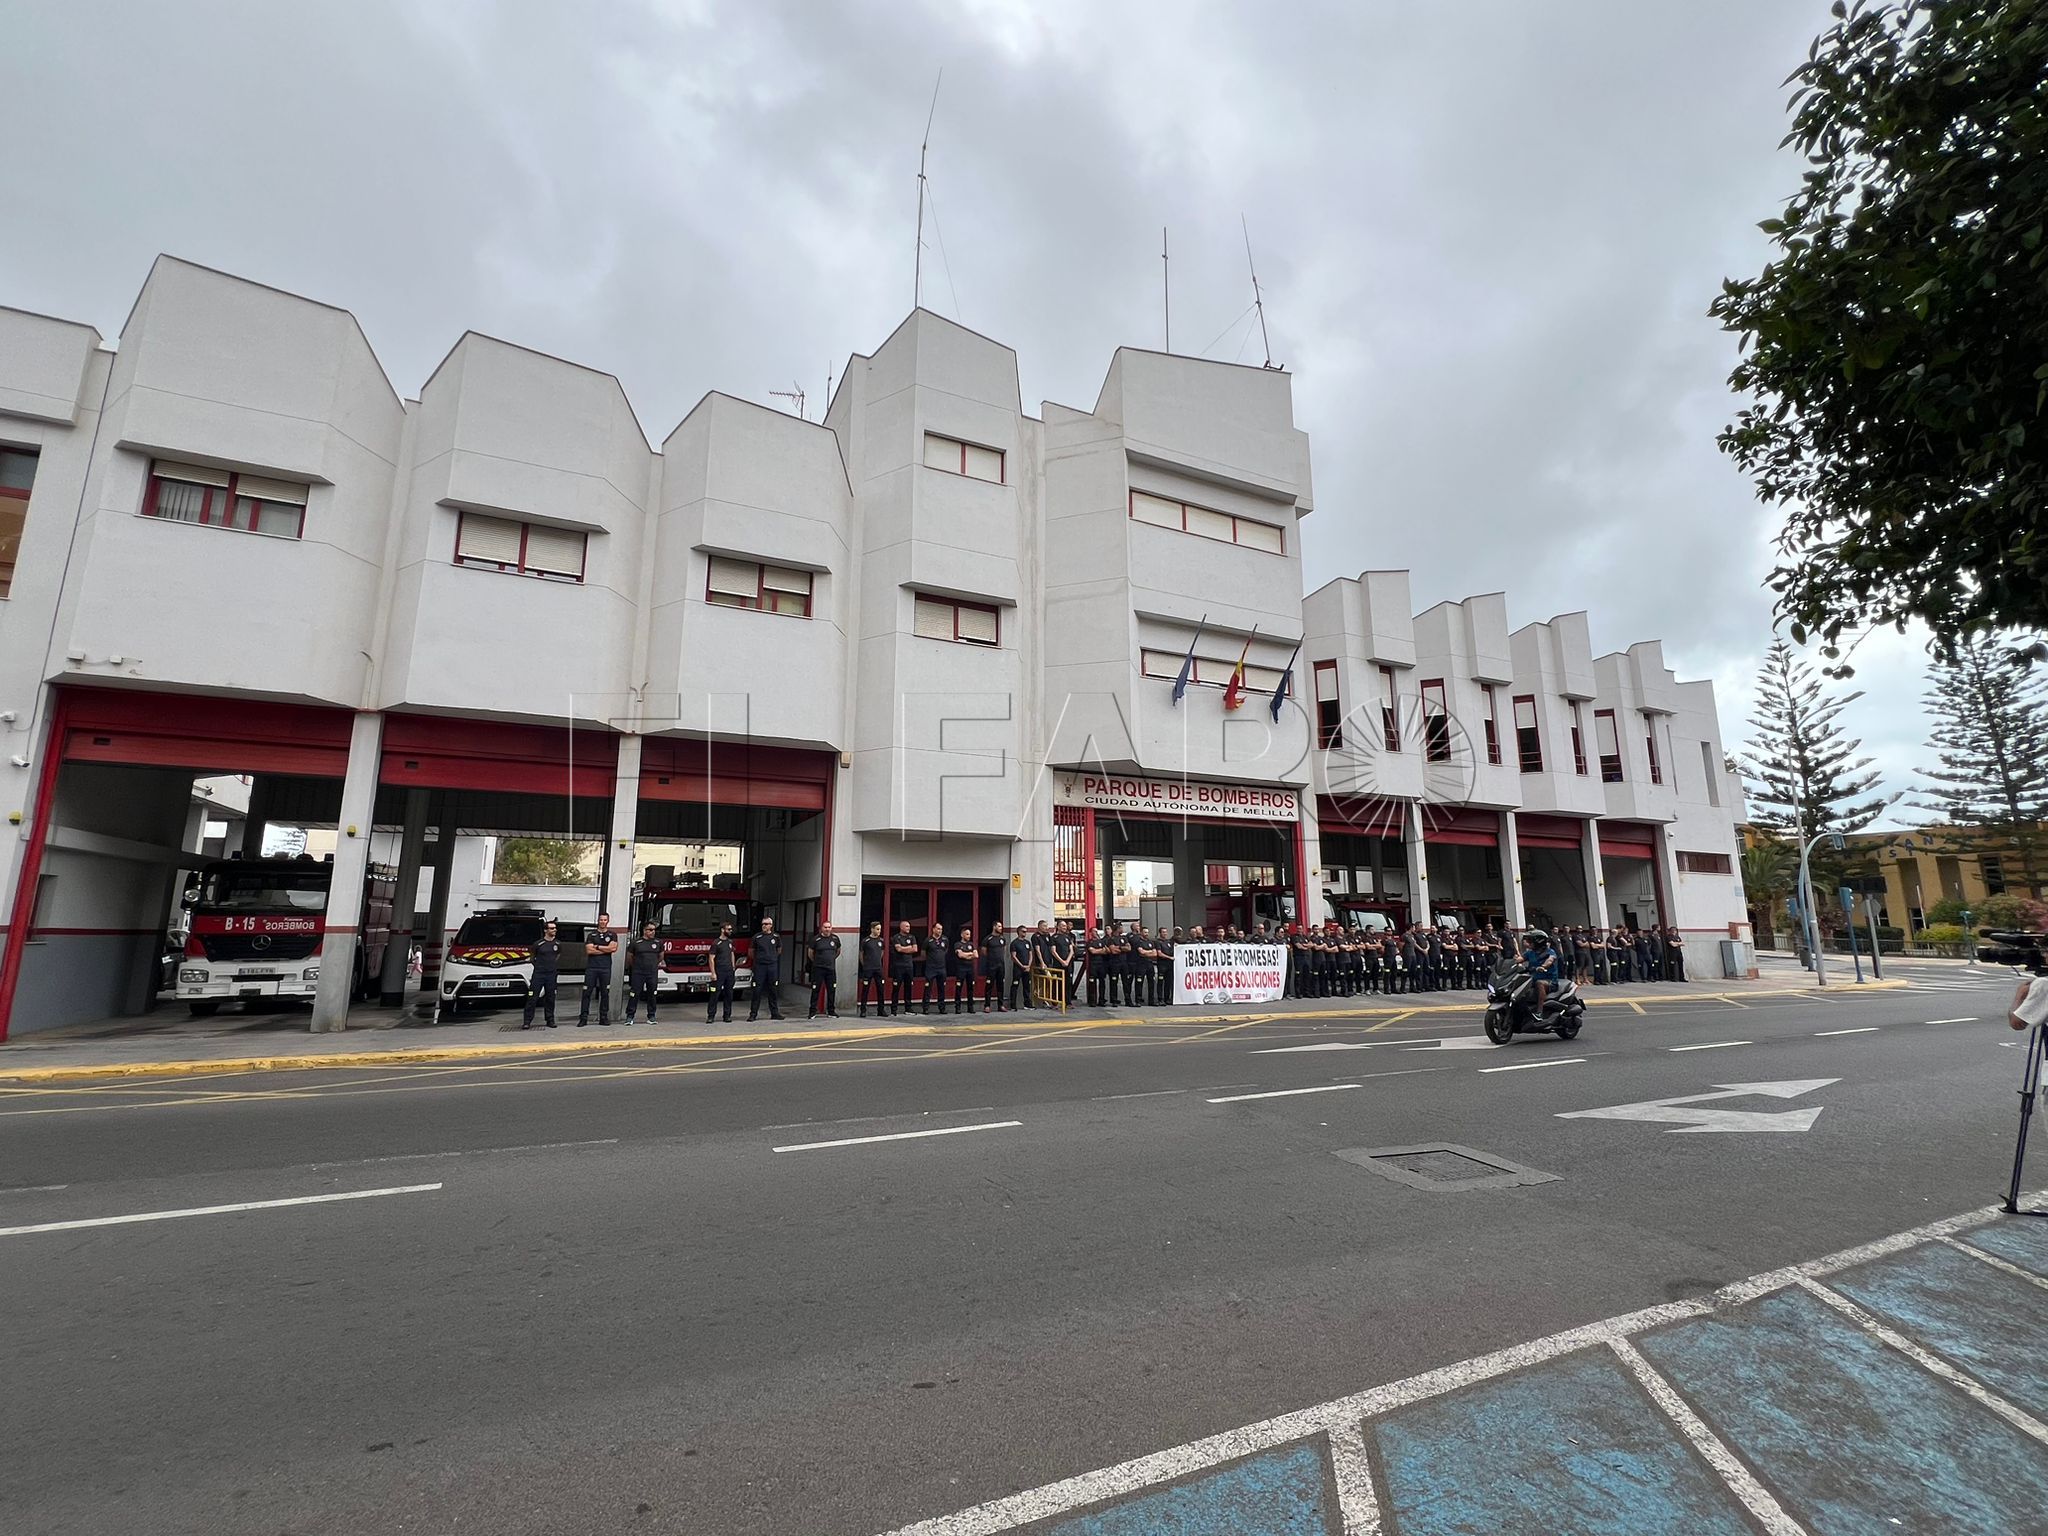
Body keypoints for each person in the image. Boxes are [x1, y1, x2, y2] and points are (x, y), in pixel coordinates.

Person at [578, 911, 617, 1027]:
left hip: (605, 968)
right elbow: (589, 950)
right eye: (601, 920)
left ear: (608, 921)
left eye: (605, 920)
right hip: (592, 968)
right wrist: (605, 949)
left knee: (605, 993)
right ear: (598, 921)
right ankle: (583, 1018)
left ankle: (603, 1017)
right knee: (587, 993)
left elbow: (613, 949)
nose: (603, 922)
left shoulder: (612, 935)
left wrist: (597, 946)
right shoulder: (591, 935)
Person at [522, 918, 561, 1029]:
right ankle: (527, 1021)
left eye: (555, 928)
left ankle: (550, 1020)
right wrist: (540, 966)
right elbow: (532, 958)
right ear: (545, 930)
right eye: (552, 928)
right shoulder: (538, 944)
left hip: (551, 974)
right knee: (532, 997)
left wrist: (551, 965)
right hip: (539, 974)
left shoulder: (558, 943)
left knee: (550, 998)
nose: (554, 930)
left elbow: (558, 955)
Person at [623, 919, 662, 1025]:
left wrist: (653, 965)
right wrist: (636, 966)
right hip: (638, 972)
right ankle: (630, 1016)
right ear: (645, 931)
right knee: (634, 994)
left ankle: (651, 1016)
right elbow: (630, 957)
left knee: (652, 994)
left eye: (654, 930)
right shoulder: (636, 943)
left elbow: (661, 956)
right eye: (650, 930)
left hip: (652, 972)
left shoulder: (658, 942)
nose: (653, 932)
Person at [748, 915, 784, 1022]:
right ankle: (753, 1014)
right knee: (757, 991)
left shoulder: (776, 937)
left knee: (773, 990)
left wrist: (771, 958)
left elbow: (779, 950)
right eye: (763, 924)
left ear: (771, 925)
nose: (764, 926)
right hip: (760, 967)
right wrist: (760, 960)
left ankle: (775, 1013)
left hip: (772, 966)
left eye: (766, 924)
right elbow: (751, 952)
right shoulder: (756, 937)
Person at [1522, 928, 1562, 1014]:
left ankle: (1540, 1011)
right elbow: (1520, 959)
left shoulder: (1550, 952)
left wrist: (1543, 966)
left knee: (1539, 983)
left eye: (1530, 941)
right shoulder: (1530, 952)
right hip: (1532, 979)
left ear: (1538, 942)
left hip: (1550, 981)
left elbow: (1550, 960)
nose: (1528, 943)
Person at [808, 922, 842, 1018]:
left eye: (829, 927)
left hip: (830, 969)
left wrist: (831, 959)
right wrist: (817, 961)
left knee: (831, 990)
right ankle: (812, 1011)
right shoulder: (815, 939)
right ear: (821, 928)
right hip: (818, 969)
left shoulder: (835, 939)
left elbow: (838, 951)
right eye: (825, 927)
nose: (827, 929)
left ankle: (831, 1011)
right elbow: (810, 953)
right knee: (815, 990)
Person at [707, 921, 737, 1024]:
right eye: (728, 929)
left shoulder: (730, 942)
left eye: (731, 929)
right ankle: (711, 1016)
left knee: (729, 994)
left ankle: (727, 1015)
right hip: (719, 972)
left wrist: (733, 966)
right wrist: (713, 973)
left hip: (729, 972)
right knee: (715, 994)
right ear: (722, 930)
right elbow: (711, 958)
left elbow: (732, 953)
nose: (730, 931)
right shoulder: (716, 943)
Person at [857, 920, 887, 1017]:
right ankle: (863, 1010)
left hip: (878, 968)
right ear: (872, 929)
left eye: (880, 929)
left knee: (881, 989)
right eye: (877, 929)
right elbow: (861, 954)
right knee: (865, 990)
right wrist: (865, 965)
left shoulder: (881, 941)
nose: (879, 931)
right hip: (868, 968)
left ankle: (881, 1010)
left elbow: (882, 953)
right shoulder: (866, 941)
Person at [953, 924, 986, 1013]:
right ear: (962, 935)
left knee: (970, 988)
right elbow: (960, 955)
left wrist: (966, 955)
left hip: (970, 969)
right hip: (960, 969)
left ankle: (970, 1007)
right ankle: (957, 1007)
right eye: (967, 934)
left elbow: (976, 955)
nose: (969, 936)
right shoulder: (957, 944)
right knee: (959, 988)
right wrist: (969, 954)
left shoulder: (972, 944)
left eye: (969, 934)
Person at [889, 920, 919, 1016]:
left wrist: (904, 948)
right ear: (901, 927)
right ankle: (894, 1009)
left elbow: (915, 949)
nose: (908, 928)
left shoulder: (912, 937)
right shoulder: (896, 937)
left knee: (908, 987)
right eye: (906, 926)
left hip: (909, 966)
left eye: (909, 926)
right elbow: (898, 949)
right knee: (896, 987)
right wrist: (908, 948)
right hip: (898, 966)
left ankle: (908, 1008)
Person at [922, 921, 951, 1015]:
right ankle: (925, 1008)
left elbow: (946, 950)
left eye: (941, 929)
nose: (940, 931)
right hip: (931, 968)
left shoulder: (945, 940)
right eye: (938, 929)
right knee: (928, 988)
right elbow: (923, 953)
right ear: (933, 929)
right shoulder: (928, 940)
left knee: (941, 988)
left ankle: (942, 1008)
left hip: (942, 968)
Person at [1007, 923, 1036, 1010]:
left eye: (1026, 932)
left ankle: (1027, 1004)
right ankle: (1013, 1005)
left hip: (1027, 968)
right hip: (1018, 968)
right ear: (1018, 932)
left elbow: (1031, 954)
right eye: (1023, 931)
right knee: (1015, 985)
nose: (1025, 933)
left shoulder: (1027, 943)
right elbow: (1013, 956)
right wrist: (1021, 965)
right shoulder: (1014, 943)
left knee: (1027, 986)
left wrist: (1029, 965)